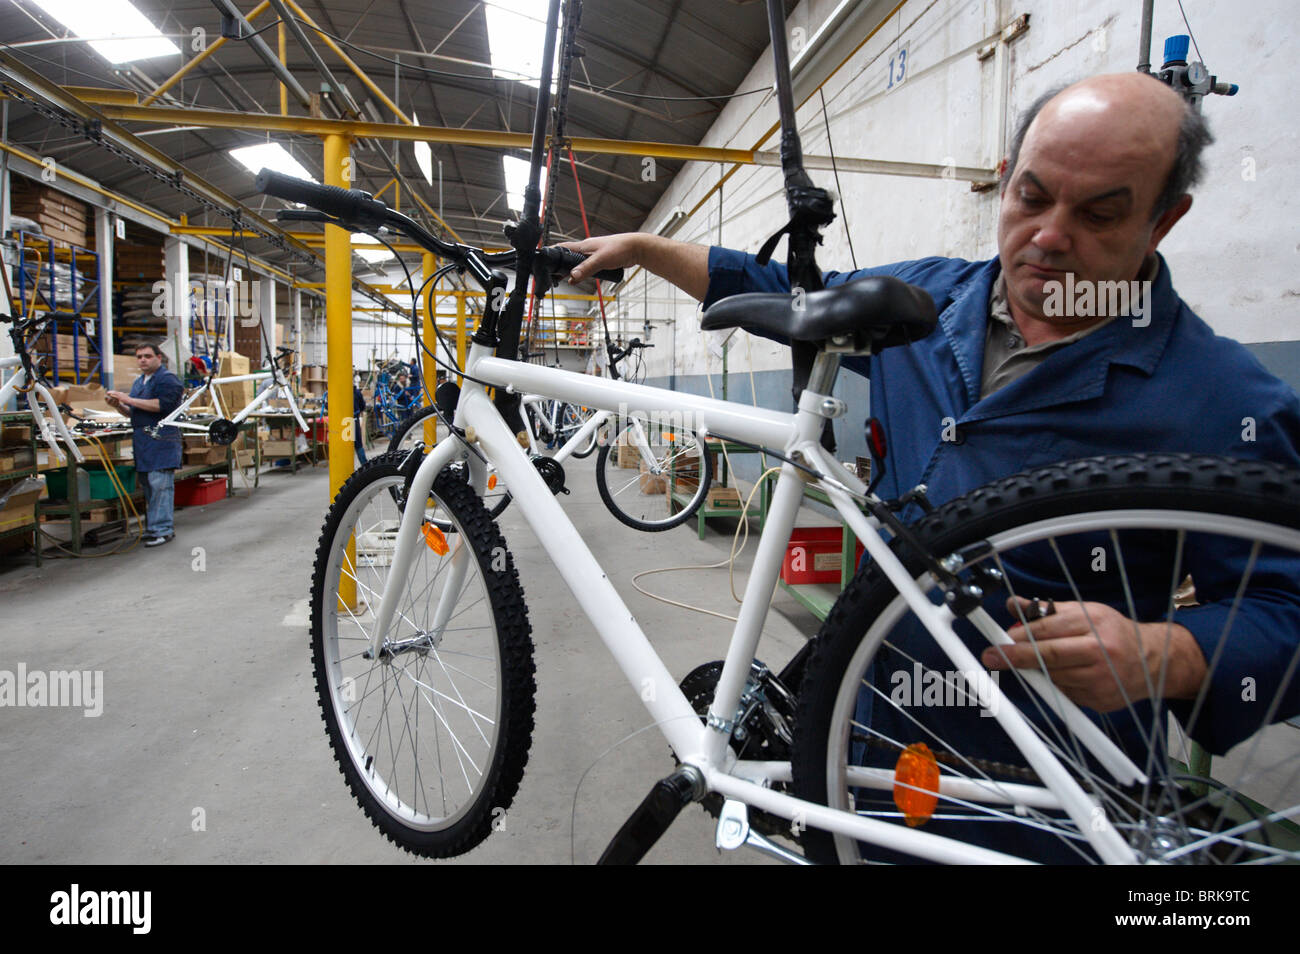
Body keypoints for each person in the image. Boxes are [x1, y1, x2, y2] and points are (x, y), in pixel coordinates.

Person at [564, 73, 1300, 857]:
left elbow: (1286, 603)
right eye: (1031, 196)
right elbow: (783, 287)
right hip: (868, 744)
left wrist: (1171, 654)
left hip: (1047, 799)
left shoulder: (1220, 399)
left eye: (1099, 213)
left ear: (1164, 220)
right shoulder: (922, 304)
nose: (1049, 236)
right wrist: (645, 249)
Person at [105, 343, 184, 547]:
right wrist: (119, 405)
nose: (142, 360)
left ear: (159, 357)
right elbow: (135, 413)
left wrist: (127, 398)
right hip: (144, 442)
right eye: (139, 356)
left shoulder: (167, 380)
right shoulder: (139, 382)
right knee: (149, 488)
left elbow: (162, 406)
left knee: (160, 486)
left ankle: (162, 530)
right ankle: (153, 528)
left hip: (161, 440)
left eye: (147, 356)